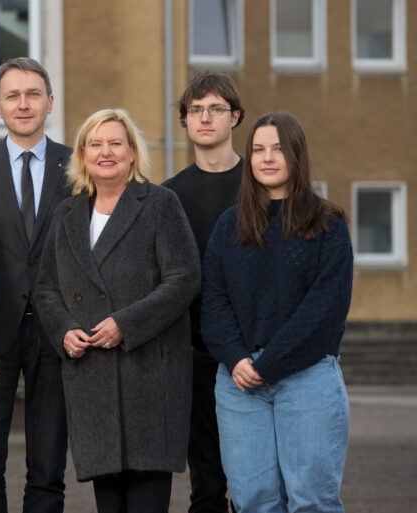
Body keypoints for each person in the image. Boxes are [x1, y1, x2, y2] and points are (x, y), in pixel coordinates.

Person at [34, 108, 201, 513]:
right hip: (92, 377)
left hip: (149, 376)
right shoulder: (67, 213)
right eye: (96, 144)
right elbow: (46, 288)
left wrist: (125, 324)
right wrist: (64, 331)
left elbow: (184, 278)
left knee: (146, 501)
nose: (105, 151)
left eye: (115, 143)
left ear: (131, 152)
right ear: (83, 155)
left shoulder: (160, 204)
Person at [201, 112, 352, 513]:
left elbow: (323, 311)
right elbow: (213, 304)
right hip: (239, 385)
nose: (267, 158)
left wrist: (268, 363)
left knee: (311, 502)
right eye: (257, 150)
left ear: (296, 156)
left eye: (278, 149)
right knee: (253, 503)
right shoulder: (229, 226)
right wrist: (236, 359)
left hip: (307, 381)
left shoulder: (328, 225)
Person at [0, 57, 71, 513]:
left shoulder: (77, 164)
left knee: (48, 467)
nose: (23, 104)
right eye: (13, 96)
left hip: (57, 332)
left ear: (49, 103)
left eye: (32, 95)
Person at [162, 71, 244, 513]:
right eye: (196, 110)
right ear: (185, 121)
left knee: (258, 481)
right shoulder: (168, 197)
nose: (205, 118)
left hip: (253, 354)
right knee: (206, 483)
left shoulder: (263, 186)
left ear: (234, 117)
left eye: (215, 109)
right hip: (192, 353)